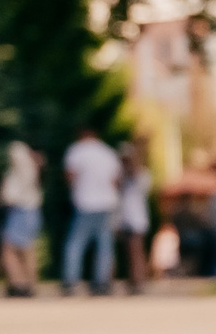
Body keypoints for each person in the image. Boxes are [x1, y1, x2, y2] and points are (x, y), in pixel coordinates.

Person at [60, 126, 122, 295]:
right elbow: (116, 180)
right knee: (104, 244)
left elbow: (70, 176)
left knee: (76, 243)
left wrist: (74, 192)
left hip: (85, 202)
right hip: (107, 203)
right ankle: (102, 282)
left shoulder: (77, 151)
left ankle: (70, 280)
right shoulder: (108, 152)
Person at [0, 141, 43, 297]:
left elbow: (11, 195)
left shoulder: (21, 171)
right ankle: (26, 283)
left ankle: (20, 283)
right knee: (24, 249)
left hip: (21, 211)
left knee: (12, 249)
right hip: (27, 211)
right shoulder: (29, 169)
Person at [115, 140, 153, 293]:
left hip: (136, 218)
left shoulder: (142, 174)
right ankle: (131, 280)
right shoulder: (119, 175)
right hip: (121, 217)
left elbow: (141, 183)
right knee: (126, 252)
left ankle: (139, 281)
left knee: (136, 251)